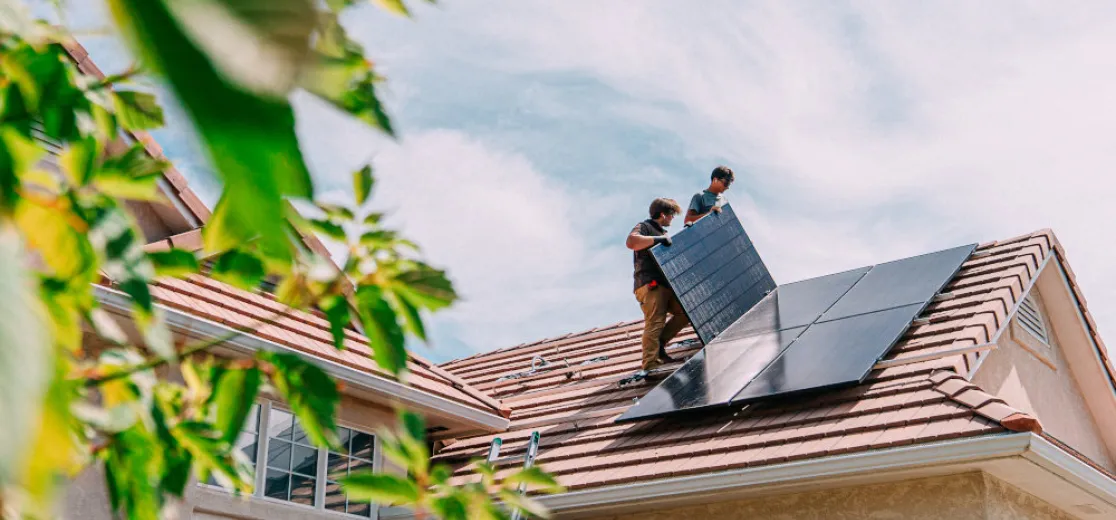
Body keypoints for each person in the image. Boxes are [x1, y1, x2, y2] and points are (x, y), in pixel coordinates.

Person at [626, 198, 691, 371]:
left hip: (665, 286)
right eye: (671, 215)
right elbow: (631, 242)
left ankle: (659, 346)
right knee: (655, 321)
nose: (672, 219)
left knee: (685, 312)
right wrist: (658, 239)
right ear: (663, 214)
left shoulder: (662, 233)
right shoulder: (645, 227)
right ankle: (650, 364)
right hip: (650, 284)